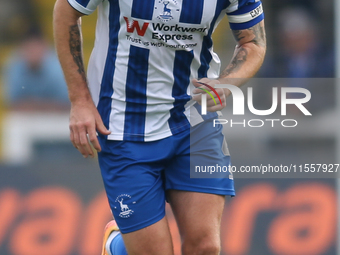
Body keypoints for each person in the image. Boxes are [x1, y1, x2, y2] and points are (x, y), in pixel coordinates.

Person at [53, 0, 266, 254]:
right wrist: (80, 100)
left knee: (206, 246)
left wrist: (226, 82)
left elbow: (253, 42)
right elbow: (65, 11)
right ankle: (117, 246)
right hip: (123, 125)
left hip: (194, 121)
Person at [3, 28, 70, 111]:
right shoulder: (14, 65)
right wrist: (46, 105)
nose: (33, 52)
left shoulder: (58, 66)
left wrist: (32, 105)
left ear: (44, 47)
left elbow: (65, 104)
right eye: (29, 48)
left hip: (54, 117)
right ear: (22, 48)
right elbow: (13, 102)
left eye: (36, 47)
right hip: (25, 117)